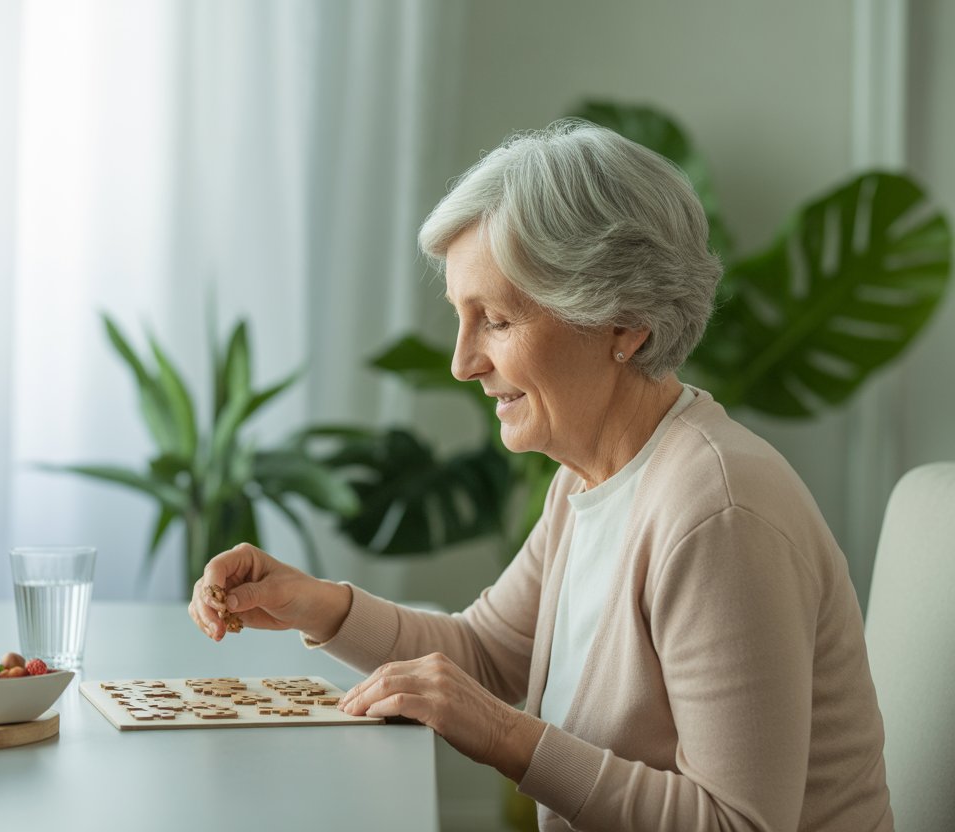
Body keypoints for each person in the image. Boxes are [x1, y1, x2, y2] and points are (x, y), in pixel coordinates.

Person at [188, 119, 892, 831]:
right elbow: (488, 655)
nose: (463, 363)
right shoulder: (588, 480)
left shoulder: (718, 513)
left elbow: (738, 824)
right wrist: (315, 604)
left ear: (623, 323)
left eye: (493, 319)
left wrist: (504, 736)